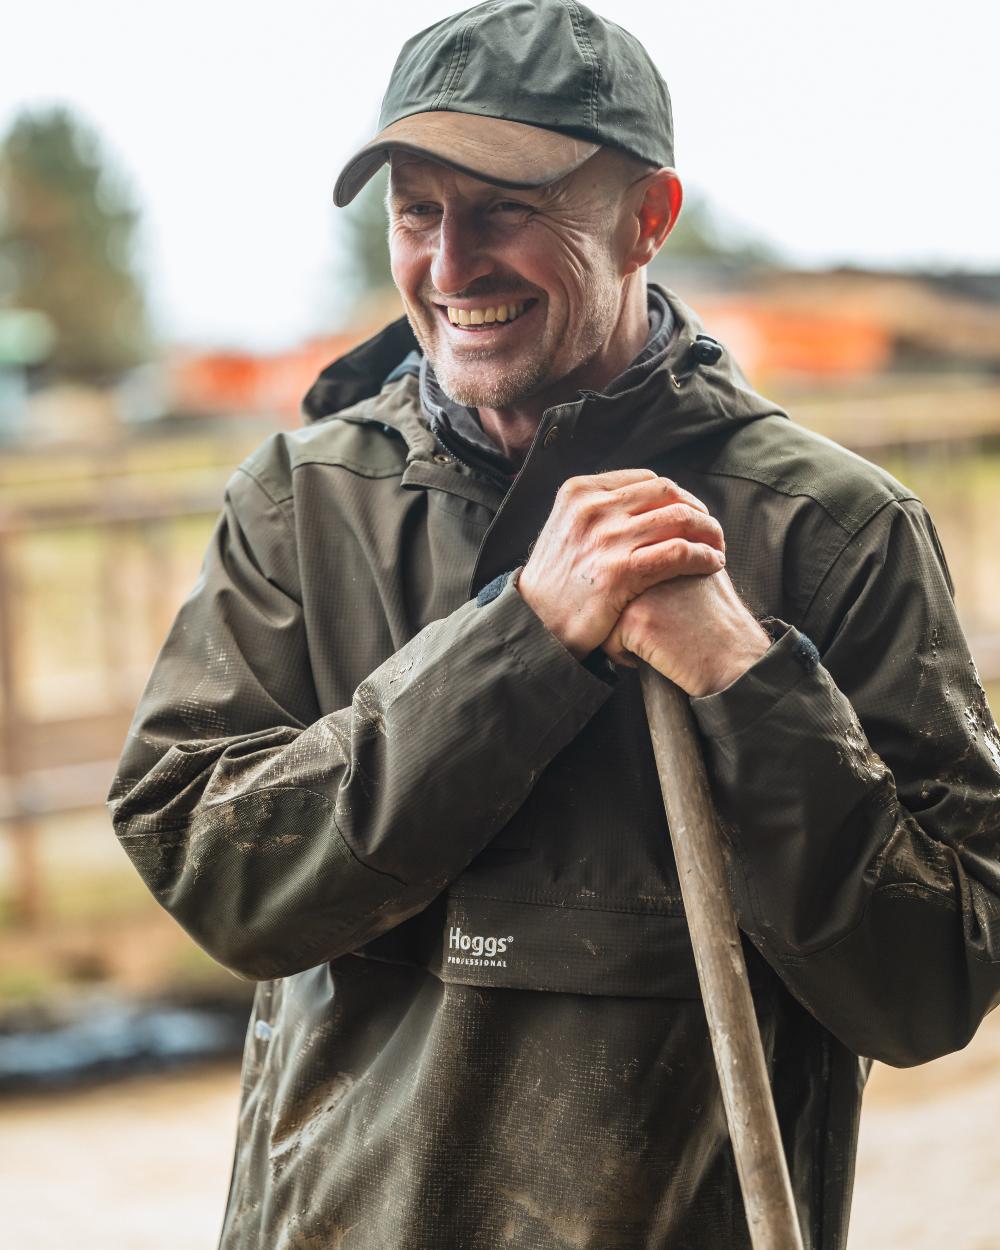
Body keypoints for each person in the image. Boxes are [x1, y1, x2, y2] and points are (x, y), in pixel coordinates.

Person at [108, 1, 1000, 1247]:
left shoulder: (831, 529)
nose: (451, 262)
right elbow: (216, 871)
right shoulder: (305, 500)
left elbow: (932, 983)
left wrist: (749, 683)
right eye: (417, 211)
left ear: (647, 219)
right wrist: (523, 639)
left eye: (506, 209)